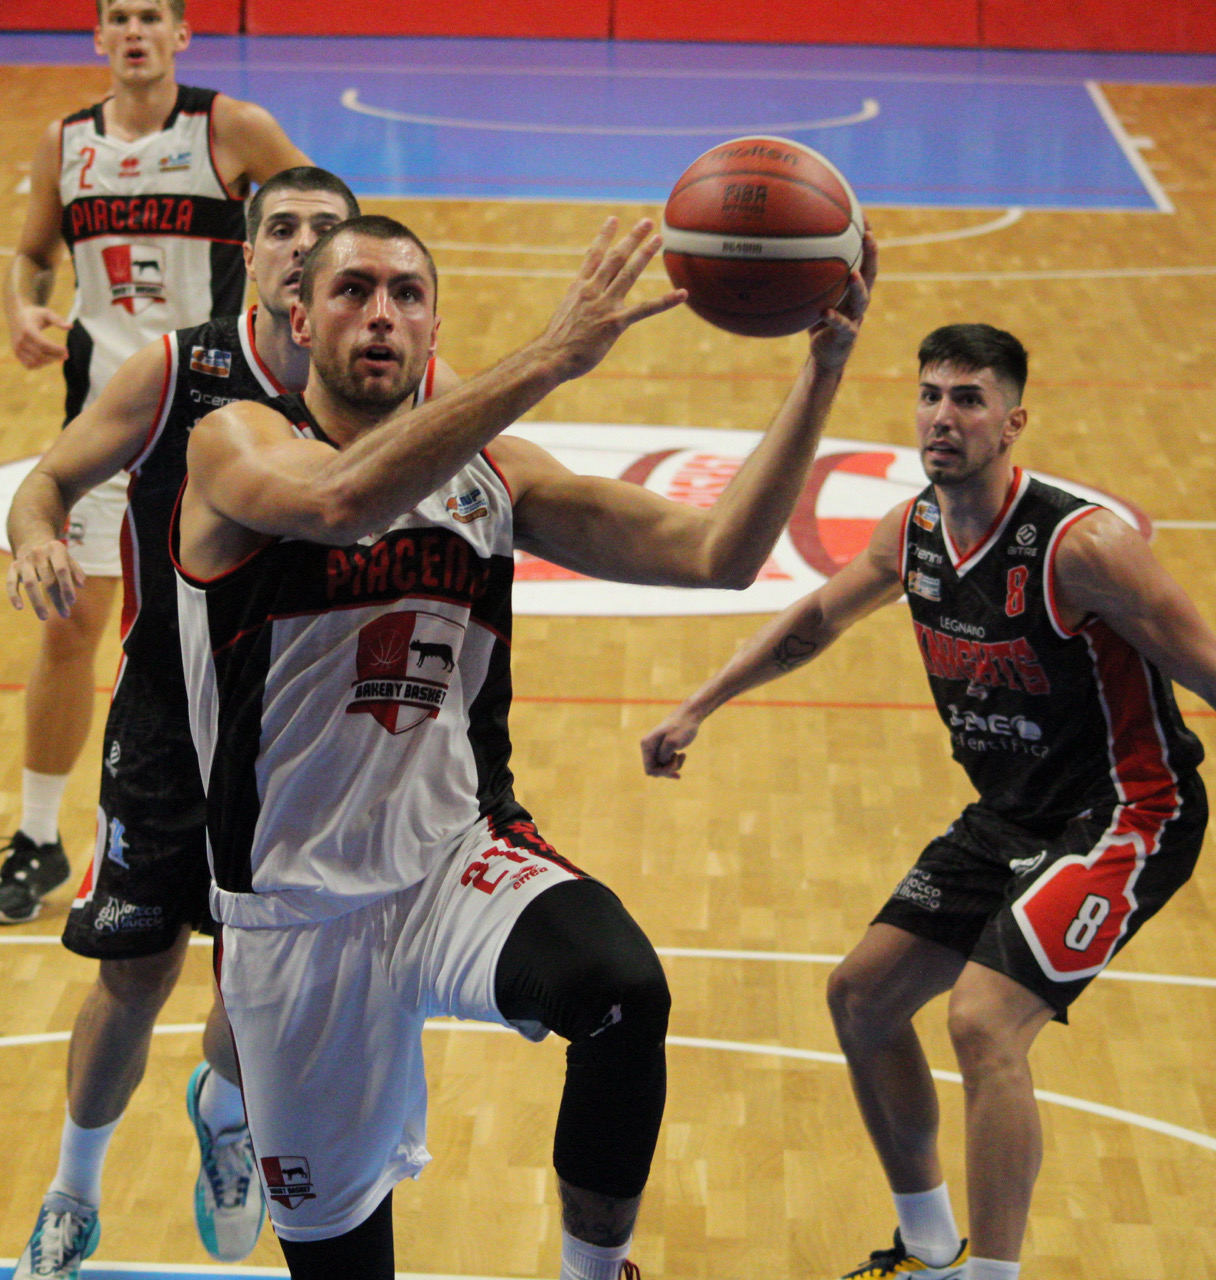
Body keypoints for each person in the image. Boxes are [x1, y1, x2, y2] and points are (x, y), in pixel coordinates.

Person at [172, 214, 874, 1279]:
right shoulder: (236, 445)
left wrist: (823, 373)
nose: (381, 313)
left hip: (456, 856)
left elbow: (719, 553)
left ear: (435, 323)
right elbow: (339, 501)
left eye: (407, 294)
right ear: (298, 315)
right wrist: (553, 353)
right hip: (295, 904)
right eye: (354, 289)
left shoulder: (497, 476)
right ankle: (229, 1095)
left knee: (623, 990)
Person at [640, 323, 1216, 1280]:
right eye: (929, 395)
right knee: (861, 1000)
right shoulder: (913, 532)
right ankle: (926, 1251)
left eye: (967, 398)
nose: (942, 416)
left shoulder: (1084, 550)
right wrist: (701, 704)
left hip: (1130, 812)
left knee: (982, 1021)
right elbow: (811, 623)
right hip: (1011, 815)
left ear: (1013, 423)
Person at [1, 166, 457, 1280]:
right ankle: (73, 1191)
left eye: (327, 231)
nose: (305, 244)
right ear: (251, 257)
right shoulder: (178, 369)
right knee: (134, 970)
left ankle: (227, 1108)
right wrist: (35, 536)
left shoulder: (414, 380)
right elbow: (45, 480)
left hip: (313, 731)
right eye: (283, 228)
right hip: (172, 715)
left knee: (260, 985)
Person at [0, 0, 310, 926]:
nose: (134, 31)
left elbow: (327, 221)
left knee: (240, 636)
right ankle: (40, 837)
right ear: (99, 37)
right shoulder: (66, 143)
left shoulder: (232, 127)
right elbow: (30, 255)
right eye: (118, 16)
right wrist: (19, 306)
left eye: (151, 16)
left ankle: (246, 830)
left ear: (180, 35)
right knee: (68, 629)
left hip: (223, 422)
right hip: (112, 417)